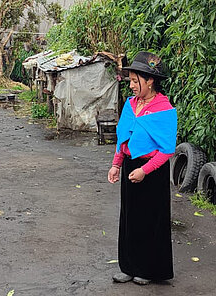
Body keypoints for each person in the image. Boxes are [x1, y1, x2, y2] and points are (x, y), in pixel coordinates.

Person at [108, 51, 177, 285]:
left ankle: (147, 269)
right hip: (130, 164)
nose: (132, 85)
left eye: (135, 80)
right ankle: (128, 265)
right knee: (129, 217)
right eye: (130, 80)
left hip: (152, 170)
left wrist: (145, 170)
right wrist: (117, 164)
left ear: (150, 81)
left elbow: (167, 150)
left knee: (150, 219)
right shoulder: (130, 104)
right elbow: (123, 137)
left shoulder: (164, 108)